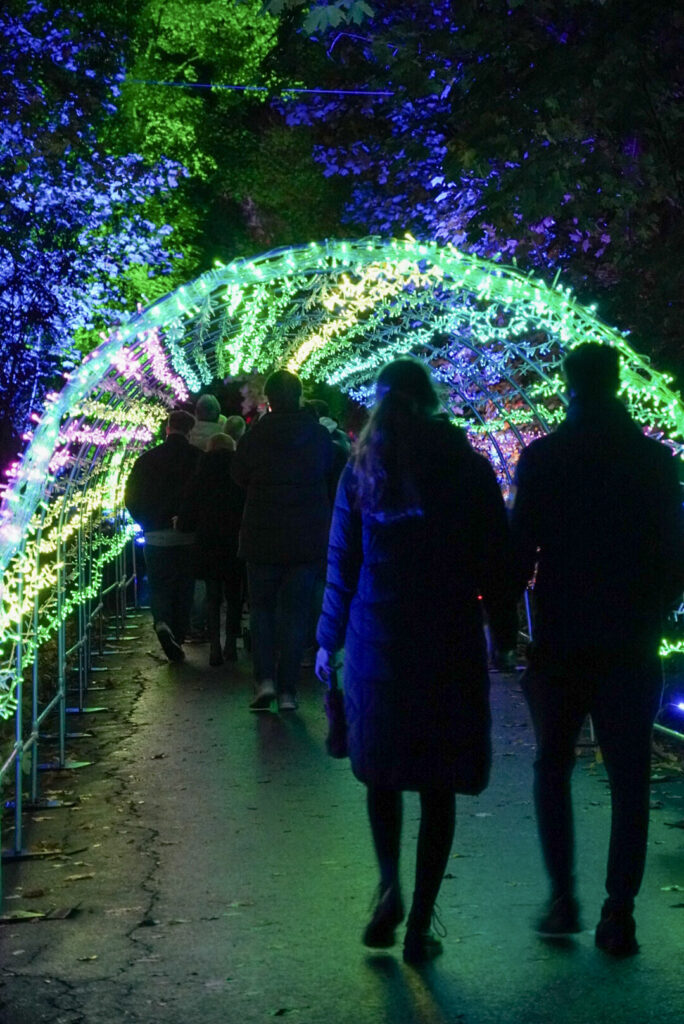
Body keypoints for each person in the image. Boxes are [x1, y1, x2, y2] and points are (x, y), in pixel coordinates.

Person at [315, 357, 517, 965]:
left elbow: (342, 563)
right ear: (431, 402)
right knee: (438, 782)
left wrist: (328, 640)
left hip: (378, 635)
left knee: (381, 771)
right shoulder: (467, 466)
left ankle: (388, 884)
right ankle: (421, 924)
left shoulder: (361, 471)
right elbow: (495, 562)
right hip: (447, 638)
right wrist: (503, 635)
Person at [509, 343, 684, 956]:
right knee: (630, 774)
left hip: (561, 636)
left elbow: (520, 549)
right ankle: (620, 909)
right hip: (630, 636)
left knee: (552, 763)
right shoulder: (654, 461)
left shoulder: (545, 458)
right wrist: (657, 605)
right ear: (617, 384)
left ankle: (563, 894)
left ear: (568, 385)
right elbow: (674, 549)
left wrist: (508, 630)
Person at [231, 368, 334, 712]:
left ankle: (265, 680)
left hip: (262, 535)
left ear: (269, 400)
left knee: (260, 609)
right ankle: (289, 690)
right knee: (295, 613)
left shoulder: (254, 437)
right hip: (305, 537)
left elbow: (239, 476)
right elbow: (333, 473)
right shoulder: (319, 437)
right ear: (300, 396)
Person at [124, 409, 200, 663]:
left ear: (168, 428)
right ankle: (177, 633)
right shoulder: (197, 458)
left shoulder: (146, 459)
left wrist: (146, 522)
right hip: (188, 536)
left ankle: (162, 622)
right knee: (184, 586)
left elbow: (131, 497)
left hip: (155, 535)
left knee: (159, 585)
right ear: (190, 431)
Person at [177, 432, 246, 667]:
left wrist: (184, 524)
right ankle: (231, 644)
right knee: (235, 594)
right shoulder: (241, 475)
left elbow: (189, 512)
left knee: (213, 595)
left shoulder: (201, 475)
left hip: (208, 541)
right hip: (236, 541)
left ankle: (214, 645)